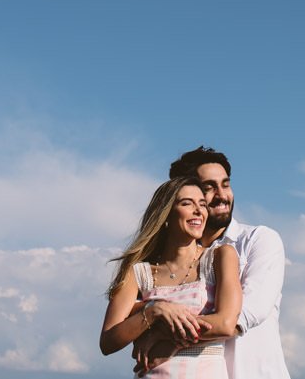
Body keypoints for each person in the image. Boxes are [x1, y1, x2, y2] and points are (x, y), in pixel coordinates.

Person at [138, 147, 292, 379]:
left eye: (225, 184)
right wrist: (156, 310)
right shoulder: (167, 261)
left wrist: (169, 337)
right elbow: (128, 315)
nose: (222, 195)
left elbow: (247, 313)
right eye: (209, 187)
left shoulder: (258, 240)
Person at [101, 176, 242, 378]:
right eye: (187, 203)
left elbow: (226, 324)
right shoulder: (139, 272)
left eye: (202, 204)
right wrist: (154, 311)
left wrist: (163, 335)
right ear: (166, 215)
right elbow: (108, 341)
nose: (199, 211)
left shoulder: (220, 256)